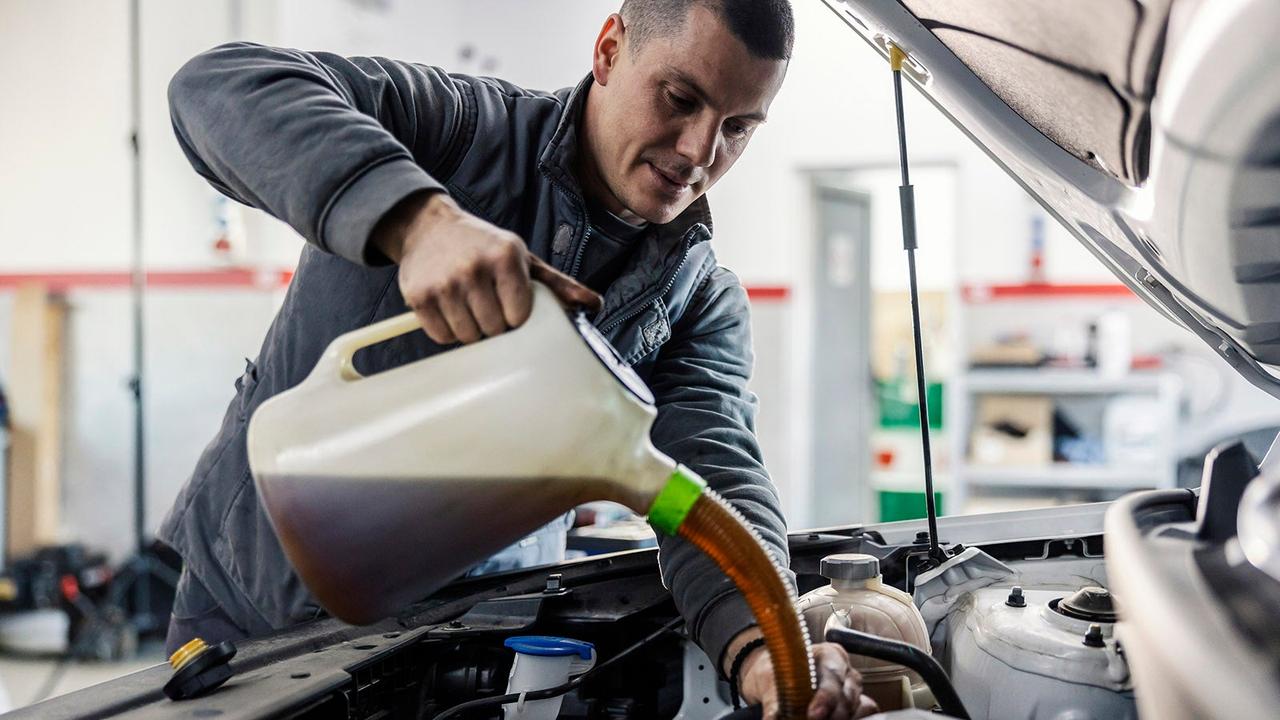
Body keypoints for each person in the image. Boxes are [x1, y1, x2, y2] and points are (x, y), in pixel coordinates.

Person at [160, 0, 876, 716]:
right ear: (609, 49)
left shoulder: (696, 300)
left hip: (468, 650)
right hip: (258, 624)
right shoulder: (461, 135)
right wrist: (419, 221)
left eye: (737, 127)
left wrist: (760, 645)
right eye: (680, 98)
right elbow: (219, 86)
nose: (698, 150)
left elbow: (713, 478)